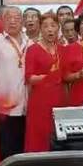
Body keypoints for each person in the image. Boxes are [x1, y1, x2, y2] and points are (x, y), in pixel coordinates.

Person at [0, 6, 30, 159]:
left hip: (26, 103)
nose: (13, 21)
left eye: (17, 18)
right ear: (2, 21)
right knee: (6, 148)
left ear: (22, 21)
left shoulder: (30, 42)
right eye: (8, 18)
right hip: (4, 105)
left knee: (23, 147)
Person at [24, 13, 65, 152]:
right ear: (40, 28)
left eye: (53, 25)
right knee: (40, 134)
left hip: (59, 97)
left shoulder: (62, 49)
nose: (50, 29)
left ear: (58, 28)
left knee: (57, 134)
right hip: (40, 99)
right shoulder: (33, 49)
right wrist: (47, 77)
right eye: (46, 26)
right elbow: (29, 77)